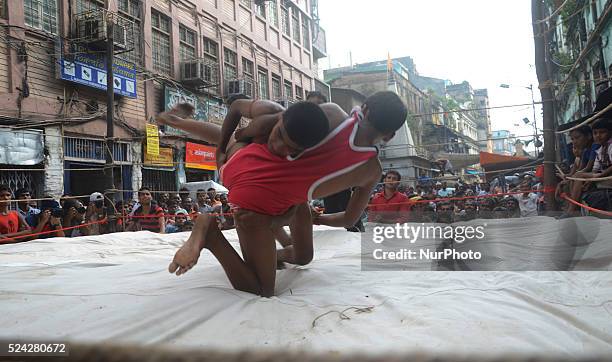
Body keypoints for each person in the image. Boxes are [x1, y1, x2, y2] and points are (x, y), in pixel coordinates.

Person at [162, 92, 407, 296]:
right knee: (262, 289)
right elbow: (349, 220)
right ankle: (210, 233)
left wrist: (238, 141)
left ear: (362, 107)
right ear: (390, 135)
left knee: (303, 255)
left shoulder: (331, 113)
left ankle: (176, 121)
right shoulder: (372, 171)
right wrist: (319, 218)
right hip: (255, 198)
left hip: (249, 163)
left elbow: (266, 125)